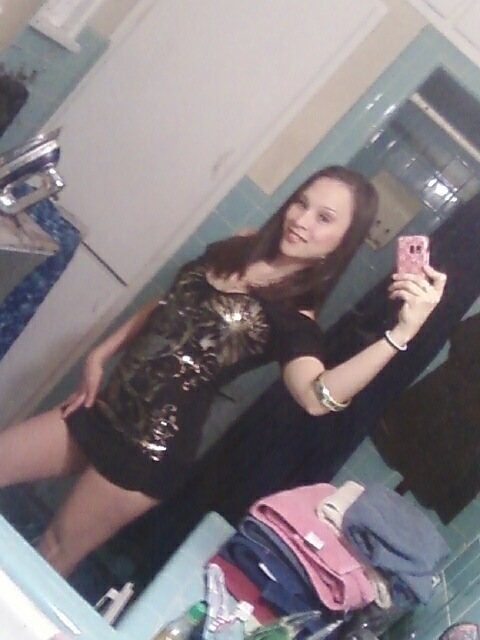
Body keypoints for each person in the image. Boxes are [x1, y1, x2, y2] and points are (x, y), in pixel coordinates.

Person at [0, 166, 446, 577]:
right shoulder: (242, 244)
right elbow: (172, 303)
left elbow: (316, 397)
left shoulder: (294, 318)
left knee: (54, 551)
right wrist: (101, 354)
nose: (302, 220)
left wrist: (400, 334)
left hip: (148, 450)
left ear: (341, 242)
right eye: (302, 203)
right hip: (104, 407)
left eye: (324, 218)